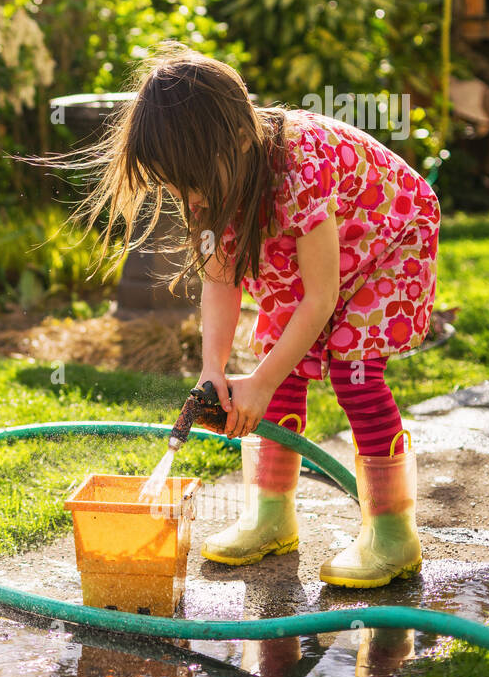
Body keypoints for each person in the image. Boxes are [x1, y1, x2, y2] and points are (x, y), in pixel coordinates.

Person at [74, 46, 439, 588]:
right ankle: (271, 516)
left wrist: (261, 384)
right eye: (174, 184)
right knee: (278, 364)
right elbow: (220, 280)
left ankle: (392, 533)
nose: (187, 197)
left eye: (191, 181)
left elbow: (320, 296)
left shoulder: (298, 165)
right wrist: (212, 370)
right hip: (322, 252)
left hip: (388, 238)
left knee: (354, 375)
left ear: (239, 140)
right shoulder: (206, 183)